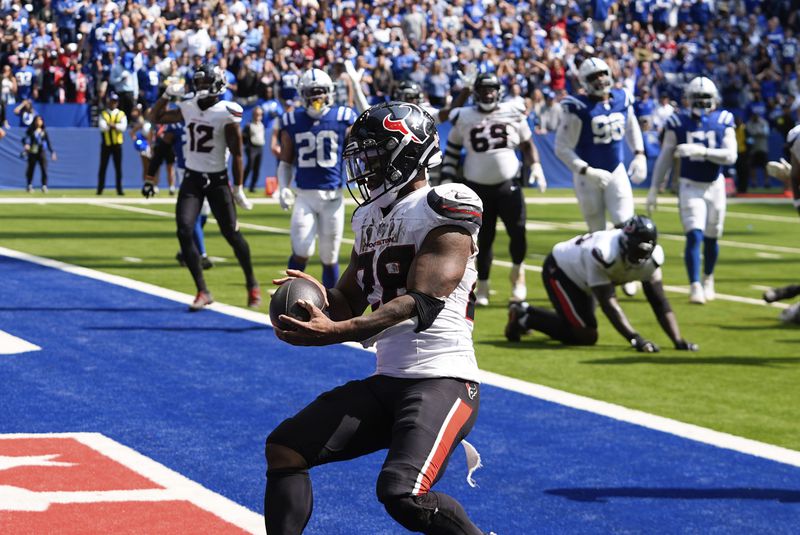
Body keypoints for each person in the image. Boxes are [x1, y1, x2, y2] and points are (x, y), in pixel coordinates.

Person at [266, 102, 487, 535]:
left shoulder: (445, 205)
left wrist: (336, 332)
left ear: (408, 153)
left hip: (442, 379)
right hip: (389, 380)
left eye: (374, 154)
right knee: (286, 448)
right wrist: (317, 303)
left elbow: (421, 302)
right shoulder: (368, 217)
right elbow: (348, 297)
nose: (364, 166)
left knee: (402, 493)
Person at [148, 63, 259, 311]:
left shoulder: (227, 111)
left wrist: (238, 187)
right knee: (184, 230)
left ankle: (251, 282)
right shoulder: (188, 106)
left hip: (218, 180)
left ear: (218, 84)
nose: (200, 87)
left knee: (231, 234)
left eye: (205, 82)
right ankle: (202, 290)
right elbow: (154, 118)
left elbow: (238, 153)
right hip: (193, 178)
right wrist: (166, 95)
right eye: (197, 82)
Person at [505, 215, 699, 353]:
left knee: (582, 327)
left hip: (586, 279)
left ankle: (527, 314)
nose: (638, 258)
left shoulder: (652, 261)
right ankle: (524, 316)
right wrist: (635, 338)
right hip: (561, 270)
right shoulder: (603, 252)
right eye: (635, 251)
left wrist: (678, 340)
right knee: (585, 334)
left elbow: (659, 301)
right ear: (625, 242)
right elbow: (609, 304)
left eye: (643, 253)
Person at [441, 72, 546, 306]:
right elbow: (453, 150)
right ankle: (485, 285)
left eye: (492, 89)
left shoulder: (512, 111)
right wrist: (448, 178)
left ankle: (518, 276)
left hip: (508, 185)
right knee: (483, 240)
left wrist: (536, 166)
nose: (488, 93)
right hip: (477, 189)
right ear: (476, 92)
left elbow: (527, 144)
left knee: (518, 232)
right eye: (484, 89)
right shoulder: (464, 116)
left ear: (499, 92)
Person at [555, 57, 647, 297]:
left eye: (602, 74)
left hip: (615, 170)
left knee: (625, 222)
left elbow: (632, 126)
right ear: (585, 82)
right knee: (596, 229)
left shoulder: (622, 98)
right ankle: (600, 276)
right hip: (588, 174)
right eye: (594, 77)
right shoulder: (577, 106)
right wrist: (586, 170)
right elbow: (561, 148)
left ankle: (627, 271)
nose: (600, 80)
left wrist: (639, 154)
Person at [647, 77, 737, 305]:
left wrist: (702, 151)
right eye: (697, 98)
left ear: (714, 99)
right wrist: (653, 189)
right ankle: (695, 284)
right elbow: (664, 158)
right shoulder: (677, 121)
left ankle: (708, 278)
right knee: (694, 234)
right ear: (688, 99)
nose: (702, 102)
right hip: (689, 185)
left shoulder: (723, 119)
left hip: (715, 184)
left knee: (712, 237)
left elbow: (731, 155)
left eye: (706, 98)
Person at [276, 68, 356, 289]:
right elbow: (285, 160)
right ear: (303, 93)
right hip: (305, 196)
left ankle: (332, 304)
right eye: (312, 92)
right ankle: (286, 299)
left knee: (329, 255)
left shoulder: (343, 118)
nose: (316, 97)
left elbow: (359, 147)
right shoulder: (292, 120)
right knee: (301, 250)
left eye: (320, 91)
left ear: (329, 92)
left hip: (333, 197)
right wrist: (283, 187)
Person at [97, 93, 127, 195]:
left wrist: (112, 125)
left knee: (118, 168)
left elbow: (123, 127)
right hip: (106, 144)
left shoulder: (121, 114)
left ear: (117, 103)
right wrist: (115, 126)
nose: (113, 103)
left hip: (117, 145)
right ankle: (100, 189)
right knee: (103, 167)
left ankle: (119, 189)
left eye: (115, 101)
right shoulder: (104, 113)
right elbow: (102, 127)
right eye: (111, 101)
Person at [22, 115, 56, 193]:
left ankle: (44, 186)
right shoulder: (31, 130)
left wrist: (52, 152)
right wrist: (26, 145)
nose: (39, 122)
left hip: (41, 152)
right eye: (37, 120)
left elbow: (48, 142)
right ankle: (29, 185)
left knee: (44, 169)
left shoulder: (44, 131)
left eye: (40, 120)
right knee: (31, 169)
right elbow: (24, 139)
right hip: (32, 152)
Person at [243, 106, 266, 193]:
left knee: (257, 168)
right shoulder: (249, 125)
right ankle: (242, 184)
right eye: (257, 115)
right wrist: (247, 145)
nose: (258, 116)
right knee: (249, 166)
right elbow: (243, 137)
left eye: (260, 115)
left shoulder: (261, 125)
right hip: (251, 147)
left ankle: (252, 186)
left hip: (260, 147)